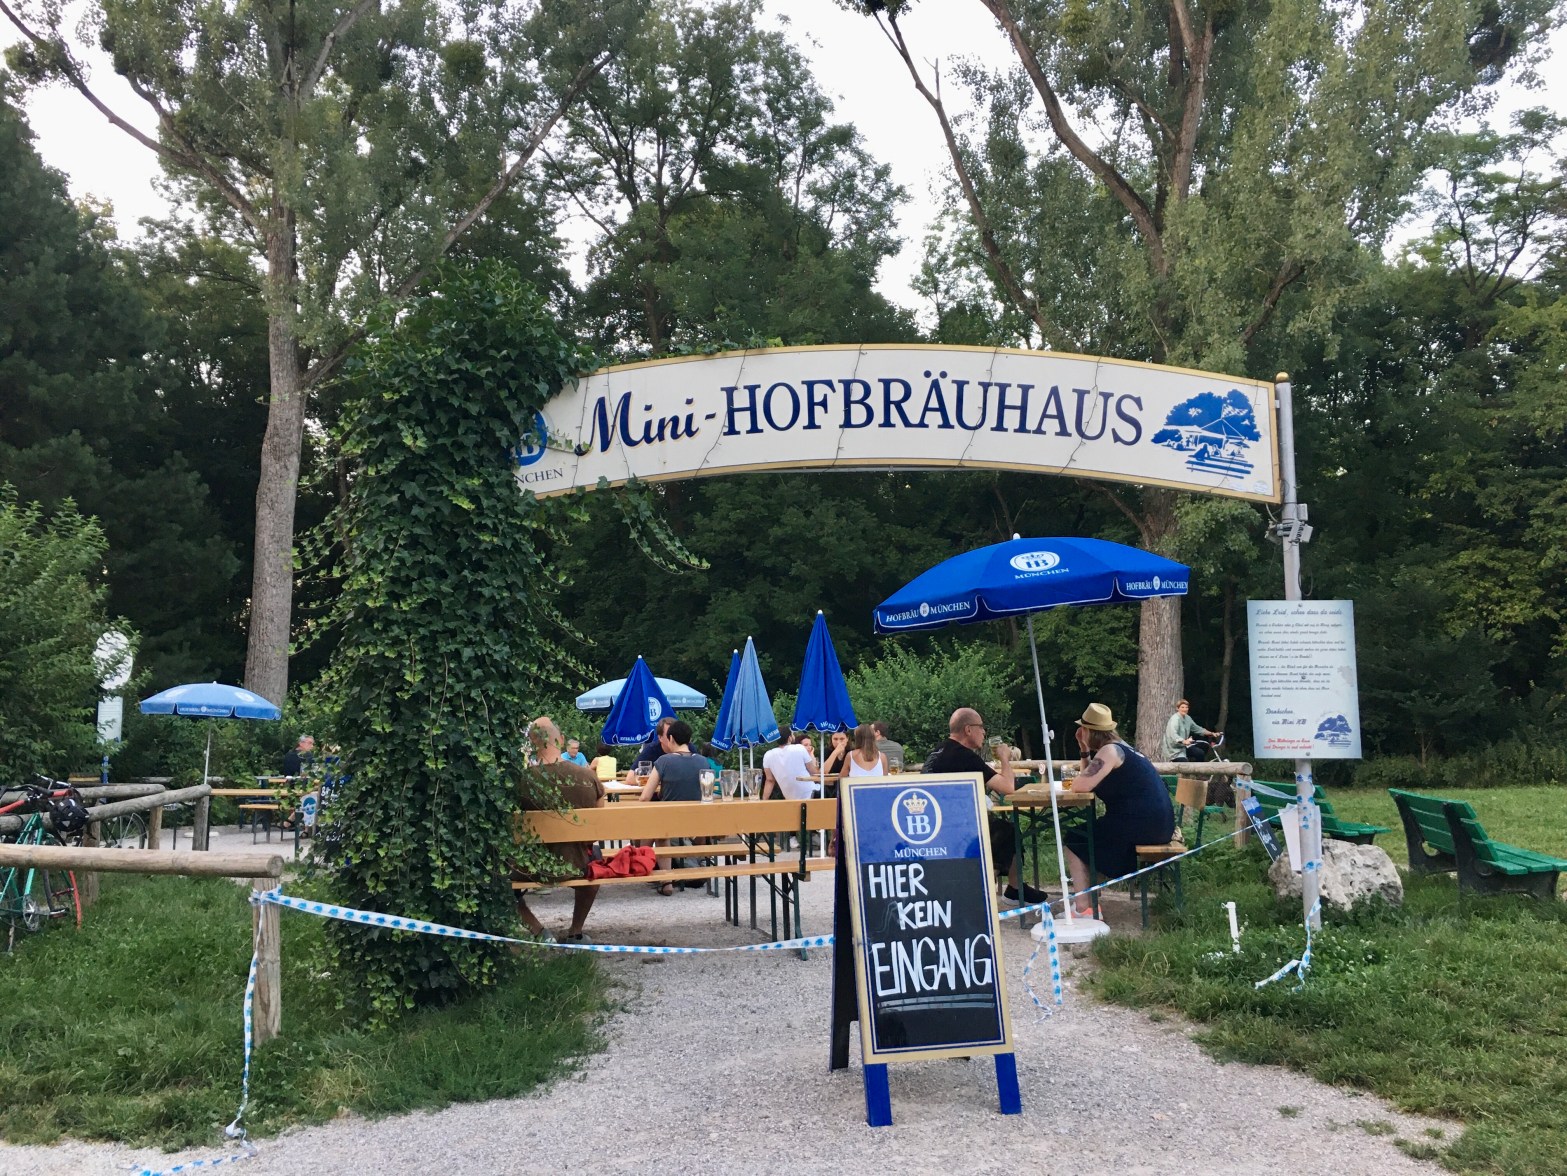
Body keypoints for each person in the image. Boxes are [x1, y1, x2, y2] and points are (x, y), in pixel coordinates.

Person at [923, 708, 1047, 907]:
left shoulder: (937, 752)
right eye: (981, 728)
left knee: (999, 828)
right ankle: (1004, 890)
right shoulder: (964, 757)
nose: (984, 733)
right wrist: (1005, 758)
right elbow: (1008, 788)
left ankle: (1009, 888)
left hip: (933, 828)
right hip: (959, 831)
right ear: (968, 729)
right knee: (1007, 831)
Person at [1064, 703, 1176, 917]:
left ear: (1089, 731)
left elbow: (1080, 785)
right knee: (1087, 837)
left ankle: (1083, 908)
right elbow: (1088, 776)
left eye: (1083, 730)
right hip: (1157, 823)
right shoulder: (1122, 747)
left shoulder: (1109, 751)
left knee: (1075, 839)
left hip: (1141, 824)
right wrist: (1084, 749)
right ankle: (1089, 900)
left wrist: (1085, 749)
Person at [514, 716, 606, 942]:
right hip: (579, 865)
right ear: (562, 740)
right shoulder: (587, 777)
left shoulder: (522, 781)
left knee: (494, 876)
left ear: (533, 744)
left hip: (531, 867)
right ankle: (575, 931)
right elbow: (598, 829)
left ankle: (538, 932)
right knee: (595, 856)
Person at [639, 720, 708, 894]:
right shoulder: (703, 762)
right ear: (689, 739)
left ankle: (666, 880)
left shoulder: (663, 761)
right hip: (698, 823)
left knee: (659, 827)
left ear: (670, 738)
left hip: (669, 822)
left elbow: (645, 796)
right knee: (664, 824)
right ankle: (697, 864)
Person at [761, 729, 818, 801]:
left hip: (790, 798)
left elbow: (770, 780)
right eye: (792, 734)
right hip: (810, 793)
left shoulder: (768, 755)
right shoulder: (799, 748)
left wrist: (764, 800)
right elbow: (814, 772)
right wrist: (812, 756)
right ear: (789, 738)